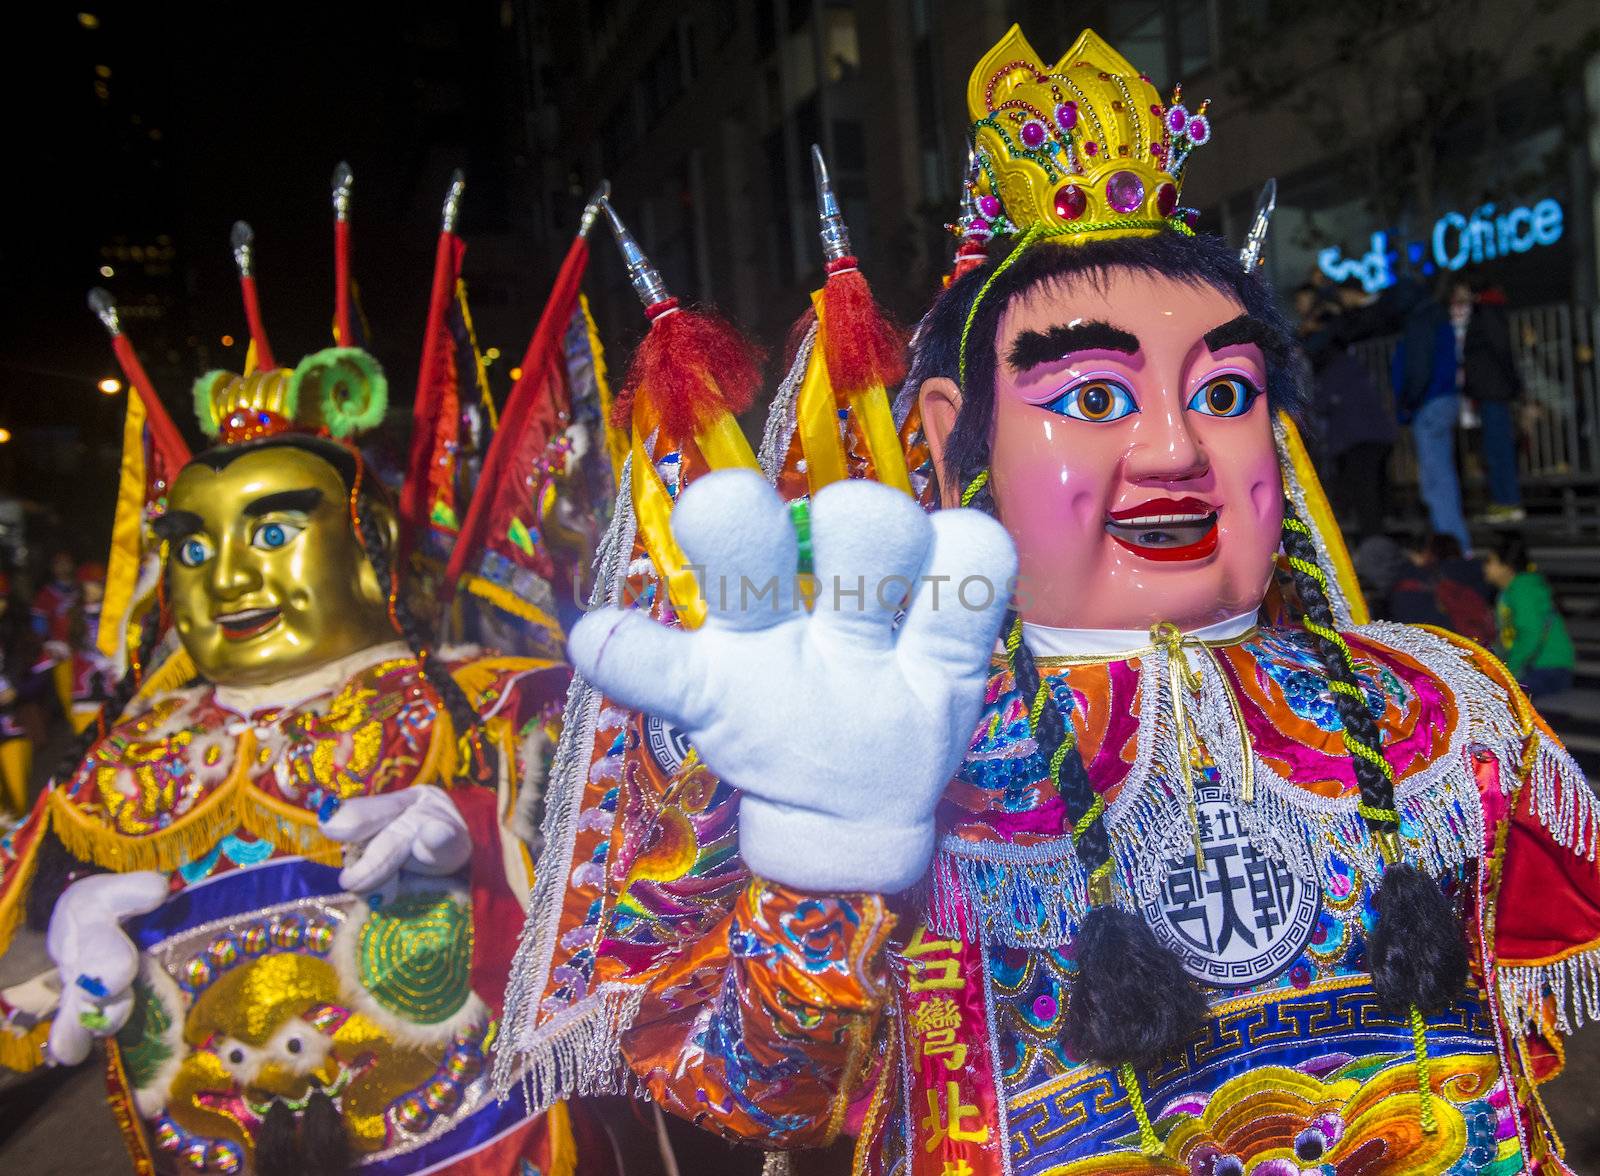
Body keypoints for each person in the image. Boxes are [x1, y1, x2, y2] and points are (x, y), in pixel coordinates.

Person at [499, 26, 1592, 1174]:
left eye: (1224, 390)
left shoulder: (1435, 709)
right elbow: (752, 1096)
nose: (1176, 447)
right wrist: (826, 862)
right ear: (946, 433)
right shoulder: (897, 731)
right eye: (1093, 396)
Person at [0, 348, 594, 1174]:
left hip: (469, 1144)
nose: (230, 578)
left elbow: (645, 916)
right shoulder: (129, 749)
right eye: (194, 552)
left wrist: (488, 854)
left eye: (273, 533)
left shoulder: (496, 708)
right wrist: (75, 930)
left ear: (368, 543)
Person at [1299, 283, 1397, 543]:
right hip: (1374, 435)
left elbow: (1323, 401)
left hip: (1357, 438)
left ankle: (1373, 546)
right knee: (1376, 494)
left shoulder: (1334, 366)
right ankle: (1379, 542)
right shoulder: (1349, 364)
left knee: (1366, 497)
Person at [1391, 280, 1472, 552]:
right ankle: (1452, 545)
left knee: (1437, 483)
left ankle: (1454, 549)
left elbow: (1418, 368)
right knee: (1439, 479)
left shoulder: (1420, 321)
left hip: (1429, 402)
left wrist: (1407, 403)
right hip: (1440, 399)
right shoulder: (1433, 316)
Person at [1455, 278, 1526, 523]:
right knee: (1496, 449)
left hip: (1493, 390)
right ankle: (1505, 501)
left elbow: (1500, 350)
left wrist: (1511, 384)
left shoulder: (1486, 312)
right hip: (1492, 389)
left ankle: (1508, 502)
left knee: (1498, 449)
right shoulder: (1487, 311)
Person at [1484, 532, 1575, 698]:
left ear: (1506, 566)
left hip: (1547, 668)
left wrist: (1507, 670)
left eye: (1489, 562)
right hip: (1536, 665)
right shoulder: (1510, 591)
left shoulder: (1523, 590)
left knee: (1495, 701)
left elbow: (1530, 634)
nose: (1485, 567)